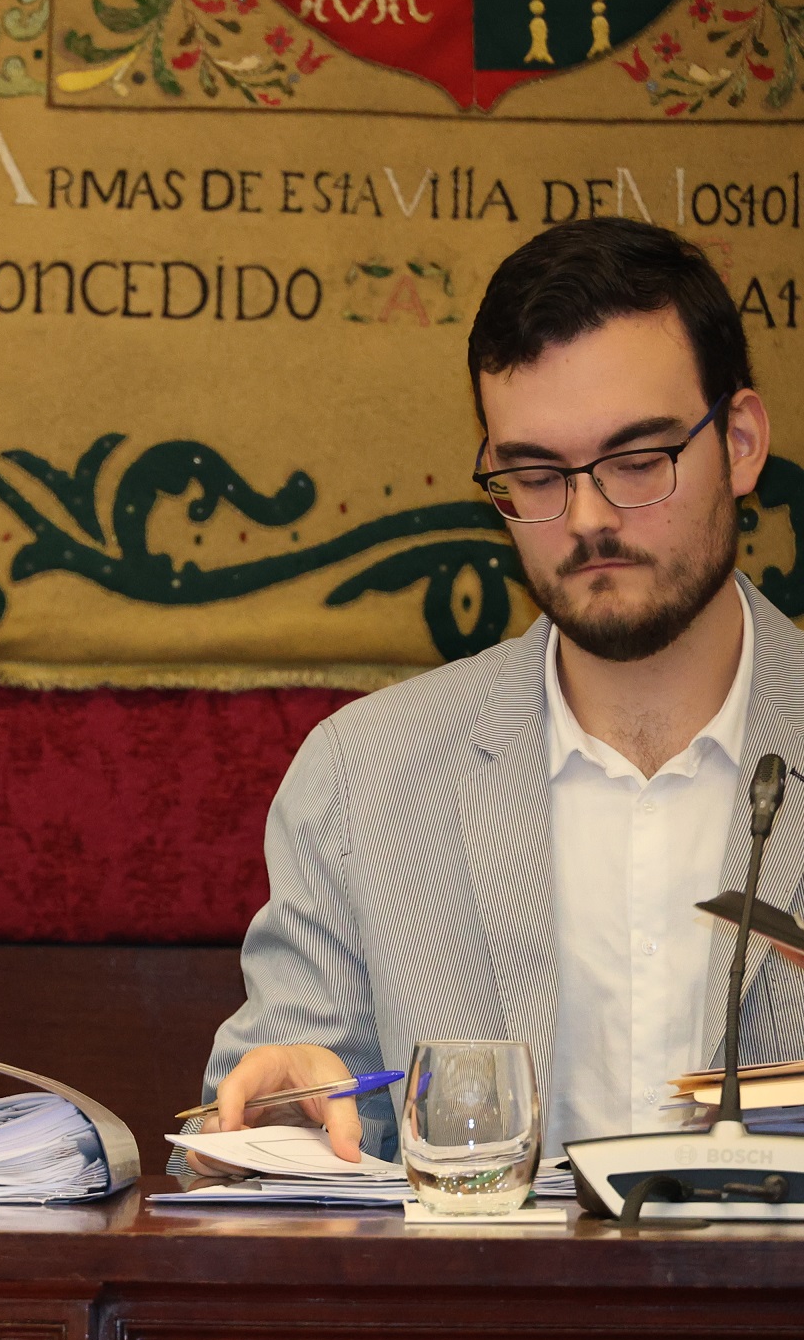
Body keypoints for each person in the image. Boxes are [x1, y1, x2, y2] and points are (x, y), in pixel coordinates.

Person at [187, 217, 788, 1172]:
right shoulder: (363, 777)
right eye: (535, 475)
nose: (586, 520)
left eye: (638, 462)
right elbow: (261, 1120)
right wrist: (281, 1131)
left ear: (742, 442)